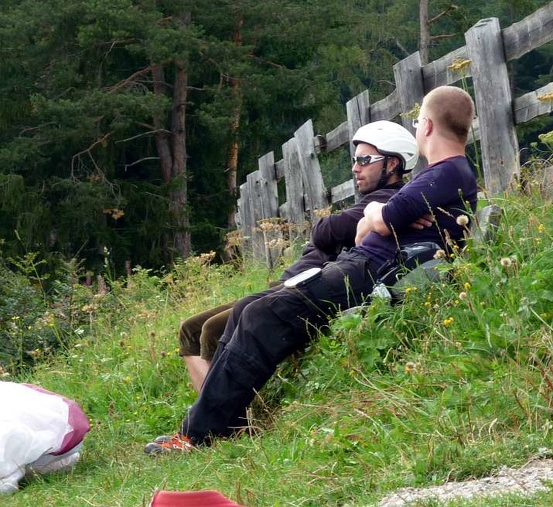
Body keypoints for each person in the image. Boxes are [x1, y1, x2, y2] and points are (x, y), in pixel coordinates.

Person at [144, 85, 477, 454]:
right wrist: (377, 216)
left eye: (418, 121)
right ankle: (213, 426)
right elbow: (372, 222)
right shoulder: (440, 175)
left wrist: (379, 216)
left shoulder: (445, 173)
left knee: (262, 314)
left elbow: (381, 221)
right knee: (251, 309)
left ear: (427, 126)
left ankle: (197, 434)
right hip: (362, 264)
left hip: (372, 270)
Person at [178, 120, 419, 392]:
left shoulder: (386, 202)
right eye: (355, 160)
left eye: (364, 160)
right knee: (190, 329)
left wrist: (325, 229)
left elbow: (327, 231)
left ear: (393, 164)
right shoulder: (369, 204)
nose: (355, 168)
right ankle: (208, 414)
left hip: (301, 291)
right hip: (289, 284)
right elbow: (328, 233)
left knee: (212, 330)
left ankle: (222, 420)